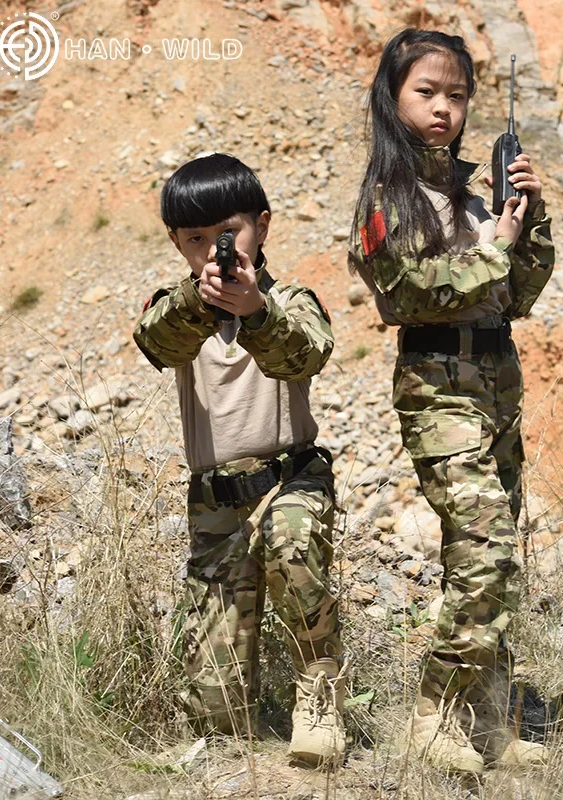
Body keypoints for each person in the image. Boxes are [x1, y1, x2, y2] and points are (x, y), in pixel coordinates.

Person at [348, 30, 555, 775]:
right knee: (484, 546)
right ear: (393, 99)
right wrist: (493, 246)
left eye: (457, 95)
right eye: (426, 92)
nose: (443, 108)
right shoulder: (388, 196)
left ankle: (489, 719)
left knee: (493, 561)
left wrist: (529, 220)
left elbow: (519, 297)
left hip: (498, 379)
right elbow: (406, 294)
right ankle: (432, 710)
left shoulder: (475, 194)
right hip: (437, 385)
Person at [133, 153, 346, 767]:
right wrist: (205, 305)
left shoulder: (292, 299)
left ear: (262, 226)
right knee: (216, 711)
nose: (211, 250)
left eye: (225, 233)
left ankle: (320, 688)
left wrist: (254, 310)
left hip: (291, 480)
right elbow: (155, 340)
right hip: (216, 501)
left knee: (293, 543)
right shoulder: (178, 306)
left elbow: (305, 355)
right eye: (194, 239)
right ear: (176, 243)